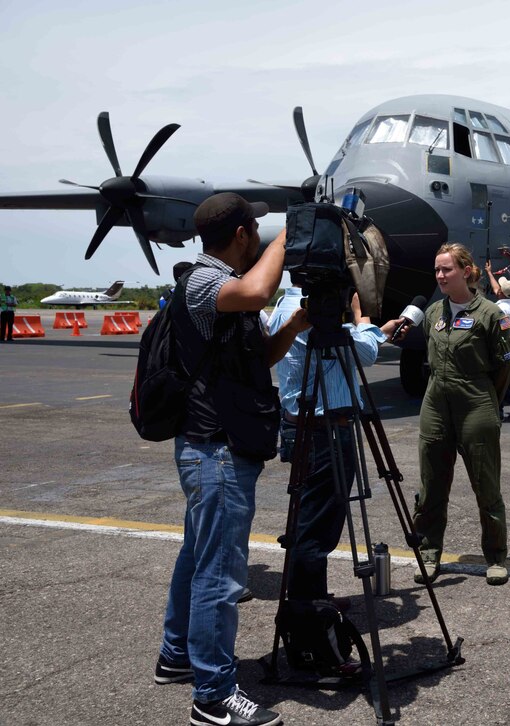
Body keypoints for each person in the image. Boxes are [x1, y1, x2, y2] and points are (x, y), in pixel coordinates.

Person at [156, 193, 309, 726]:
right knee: (220, 574)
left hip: (219, 446)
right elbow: (261, 287)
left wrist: (297, 324)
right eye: (259, 232)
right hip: (214, 447)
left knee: (199, 557)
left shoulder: (228, 295)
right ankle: (213, 696)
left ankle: (177, 655)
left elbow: (259, 356)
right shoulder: (204, 280)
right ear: (243, 233)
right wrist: (294, 233)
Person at [268, 276, 406, 609]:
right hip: (324, 430)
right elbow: (366, 353)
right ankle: (309, 608)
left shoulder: (282, 308)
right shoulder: (308, 314)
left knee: (311, 517)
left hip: (304, 427)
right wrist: (364, 319)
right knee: (318, 524)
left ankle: (311, 596)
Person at [413, 243, 510, 587]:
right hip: (436, 405)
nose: (440, 275)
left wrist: (488, 402)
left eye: (448, 269)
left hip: (476, 404)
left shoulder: (491, 314)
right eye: (438, 270)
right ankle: (428, 552)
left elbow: (505, 366)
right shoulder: (432, 314)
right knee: (431, 485)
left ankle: (497, 556)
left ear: (467, 272)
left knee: (486, 486)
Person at [485, 259, 510, 421]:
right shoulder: (508, 300)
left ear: (501, 293)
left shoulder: (503, 309)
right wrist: (489, 272)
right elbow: (496, 288)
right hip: (498, 345)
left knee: (494, 379)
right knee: (494, 379)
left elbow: (502, 327)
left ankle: (502, 409)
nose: (497, 289)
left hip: (497, 346)